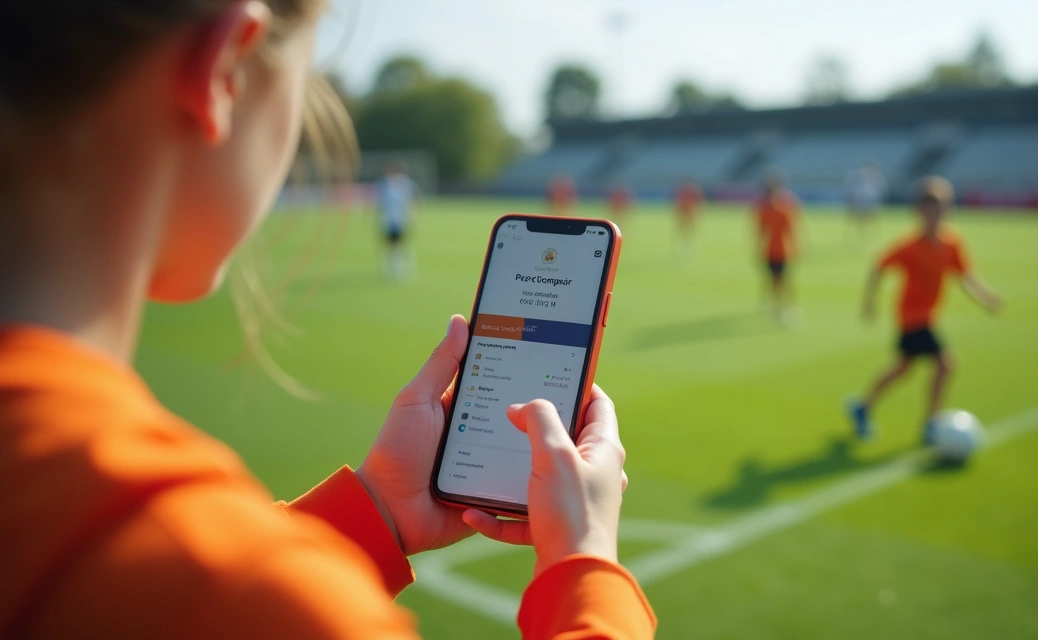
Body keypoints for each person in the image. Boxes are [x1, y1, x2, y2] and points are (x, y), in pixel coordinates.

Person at [0, 2, 655, 639]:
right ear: (226, 68)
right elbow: (226, 603)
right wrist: (585, 560)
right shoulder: (238, 587)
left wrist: (376, 513)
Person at [848, 177, 1002, 444]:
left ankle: (863, 406)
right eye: (930, 208)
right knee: (945, 364)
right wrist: (870, 302)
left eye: (941, 207)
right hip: (911, 317)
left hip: (929, 316)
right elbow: (879, 266)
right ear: (919, 211)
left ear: (948, 209)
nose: (935, 214)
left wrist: (985, 297)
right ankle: (932, 422)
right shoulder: (910, 245)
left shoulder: (951, 242)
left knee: (903, 368)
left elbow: (965, 275)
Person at [754, 175, 800, 324]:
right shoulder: (765, 211)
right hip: (770, 251)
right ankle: (776, 305)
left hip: (782, 251)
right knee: (773, 279)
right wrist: (758, 250)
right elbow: (761, 233)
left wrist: (795, 248)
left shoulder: (784, 210)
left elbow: (791, 232)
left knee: (784, 280)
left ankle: (786, 306)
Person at [377, 161, 419, 280]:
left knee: (402, 245)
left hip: (402, 220)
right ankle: (391, 269)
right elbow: (381, 204)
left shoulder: (405, 184)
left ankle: (406, 269)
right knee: (389, 246)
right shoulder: (384, 185)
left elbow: (413, 200)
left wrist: (412, 217)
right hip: (389, 220)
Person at [844, 161, 887, 244]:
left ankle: (872, 235)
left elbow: (880, 190)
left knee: (872, 219)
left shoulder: (877, 178)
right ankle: (856, 236)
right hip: (859, 202)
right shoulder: (856, 178)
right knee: (857, 220)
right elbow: (850, 189)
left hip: (871, 202)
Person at [674, 179, 704, 261]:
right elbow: (678, 204)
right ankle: (683, 246)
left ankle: (688, 245)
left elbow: (698, 203)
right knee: (683, 230)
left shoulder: (693, 192)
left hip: (690, 213)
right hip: (685, 213)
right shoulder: (683, 193)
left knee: (689, 230)